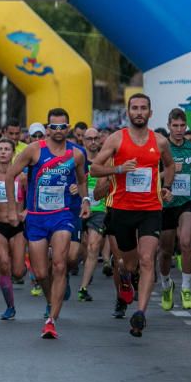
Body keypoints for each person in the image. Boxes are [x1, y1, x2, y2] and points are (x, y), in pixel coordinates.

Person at [90, 94, 175, 337]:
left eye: (143, 108)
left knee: (148, 259)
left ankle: (140, 313)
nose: (139, 112)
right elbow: (95, 168)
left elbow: (169, 166)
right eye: (135, 108)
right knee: (128, 263)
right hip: (121, 209)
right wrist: (117, 169)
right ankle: (126, 276)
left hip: (150, 209)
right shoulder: (117, 139)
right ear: (128, 112)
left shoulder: (160, 142)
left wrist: (166, 186)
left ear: (150, 112)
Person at [7, 109, 88, 339]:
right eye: (55, 127)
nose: (59, 131)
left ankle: (51, 320)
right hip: (36, 217)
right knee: (42, 272)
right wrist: (14, 210)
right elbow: (9, 175)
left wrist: (84, 200)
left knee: (60, 265)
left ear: (69, 128)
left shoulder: (77, 154)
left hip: (62, 215)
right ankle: (51, 298)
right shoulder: (34, 150)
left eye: (63, 127)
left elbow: (82, 180)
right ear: (47, 127)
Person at [159, 108, 191, 311]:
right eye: (175, 126)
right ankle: (166, 284)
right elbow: (151, 175)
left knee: (187, 242)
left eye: (182, 126)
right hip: (166, 203)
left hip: (187, 201)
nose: (178, 130)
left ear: (186, 126)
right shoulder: (161, 147)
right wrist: (167, 171)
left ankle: (186, 288)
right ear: (169, 126)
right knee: (166, 250)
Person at [0, 137, 26, 320]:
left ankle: (11, 271)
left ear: (13, 153)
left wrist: (25, 211)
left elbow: (32, 199)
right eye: (0, 149)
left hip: (17, 227)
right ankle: (10, 306)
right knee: (4, 264)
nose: (3, 152)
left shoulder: (22, 177)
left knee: (18, 272)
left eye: (6, 149)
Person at [77, 128, 107, 302]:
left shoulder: (104, 160)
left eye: (96, 138)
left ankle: (83, 287)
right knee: (76, 251)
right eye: (89, 139)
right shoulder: (78, 159)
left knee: (94, 246)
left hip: (99, 209)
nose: (93, 142)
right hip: (78, 207)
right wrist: (73, 188)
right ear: (83, 141)